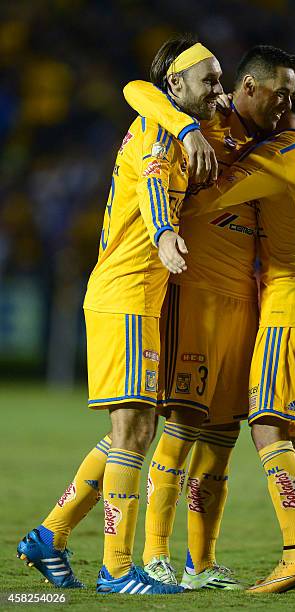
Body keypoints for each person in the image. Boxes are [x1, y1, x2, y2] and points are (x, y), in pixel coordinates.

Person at [122, 45, 295, 591]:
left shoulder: (268, 146)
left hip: (250, 303)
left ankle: (201, 562)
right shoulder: (205, 121)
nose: (284, 103)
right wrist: (186, 129)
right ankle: (153, 556)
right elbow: (139, 91)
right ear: (247, 89)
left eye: (291, 96)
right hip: (195, 296)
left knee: (221, 441)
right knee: (183, 425)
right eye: (278, 93)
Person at [16, 35, 223, 595]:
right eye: (209, 81)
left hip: (138, 296)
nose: (218, 90)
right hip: (126, 293)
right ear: (175, 86)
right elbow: (155, 181)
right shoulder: (161, 128)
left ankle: (51, 536)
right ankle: (115, 569)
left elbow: (141, 93)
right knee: (132, 432)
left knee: (131, 430)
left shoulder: (180, 119)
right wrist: (163, 235)